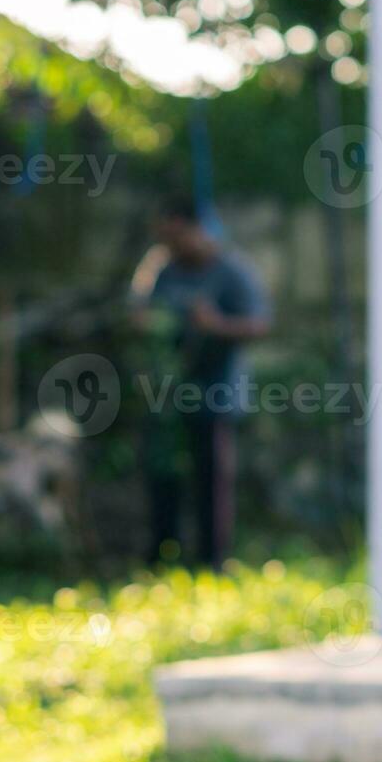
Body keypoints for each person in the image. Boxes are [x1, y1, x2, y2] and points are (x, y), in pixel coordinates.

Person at [131, 195, 270, 569]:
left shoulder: (231, 271)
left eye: (176, 238)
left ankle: (212, 560)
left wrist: (217, 325)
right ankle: (161, 553)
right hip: (167, 395)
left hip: (216, 392)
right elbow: (141, 313)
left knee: (211, 478)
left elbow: (260, 324)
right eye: (164, 240)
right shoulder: (163, 270)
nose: (169, 247)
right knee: (162, 473)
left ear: (196, 230)